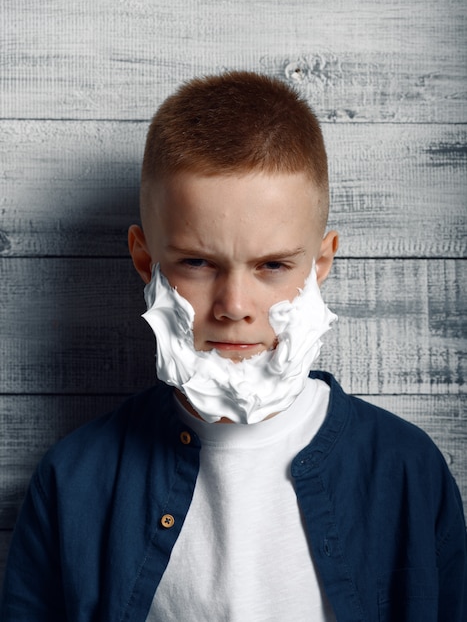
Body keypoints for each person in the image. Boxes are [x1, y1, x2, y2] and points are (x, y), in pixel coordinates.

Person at [0, 71, 465, 622]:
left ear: (319, 265)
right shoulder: (73, 482)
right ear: (147, 262)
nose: (234, 305)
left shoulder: (406, 471)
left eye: (273, 266)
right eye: (198, 263)